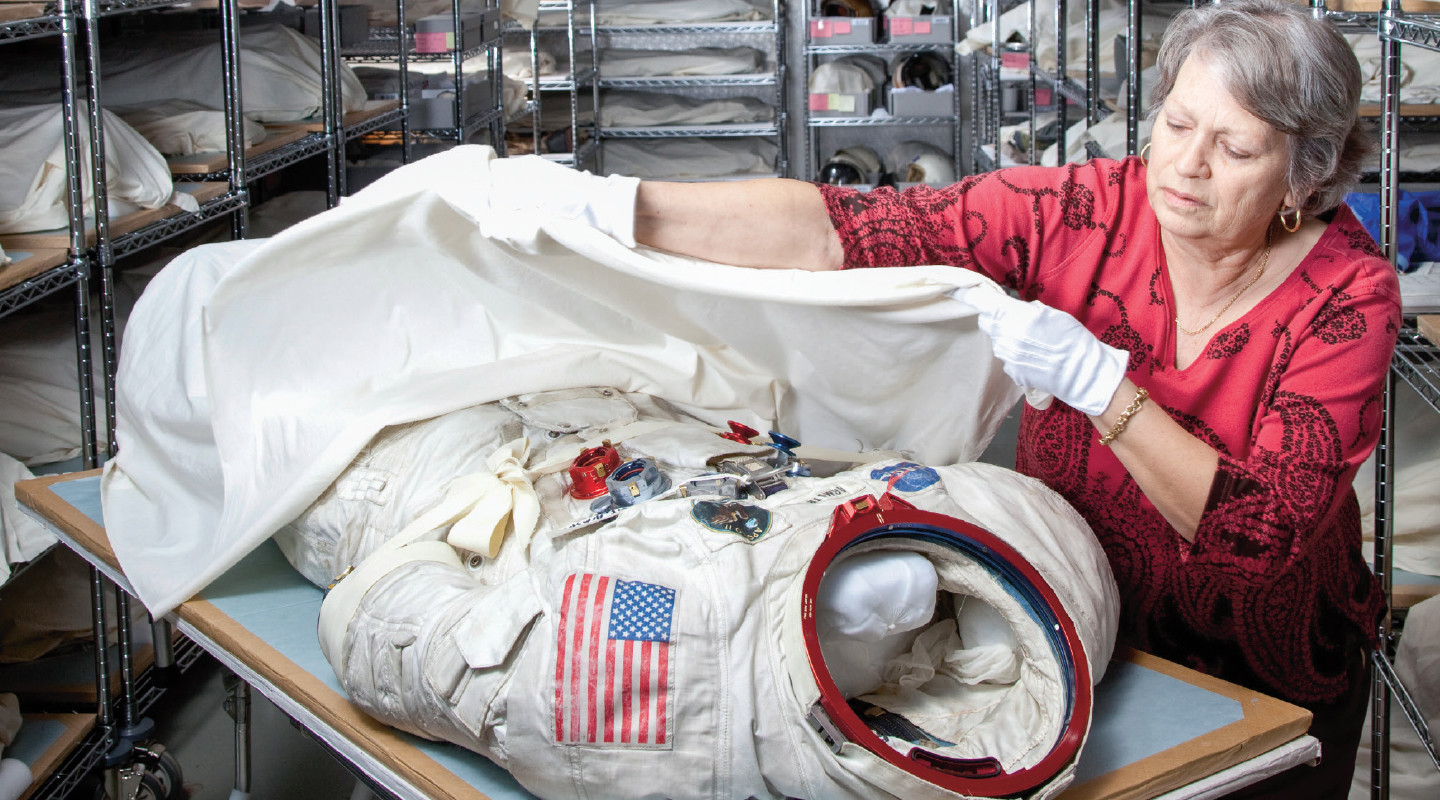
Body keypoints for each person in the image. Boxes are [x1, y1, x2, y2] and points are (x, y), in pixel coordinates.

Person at [486, 0, 1397, 795]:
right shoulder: (1084, 213)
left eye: (1234, 147)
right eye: (1175, 124)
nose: (1186, 166)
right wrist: (620, 207)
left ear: (1305, 174)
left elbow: (1260, 538)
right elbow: (843, 229)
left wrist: (1102, 390)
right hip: (1076, 640)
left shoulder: (1348, 297)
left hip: (1265, 681)